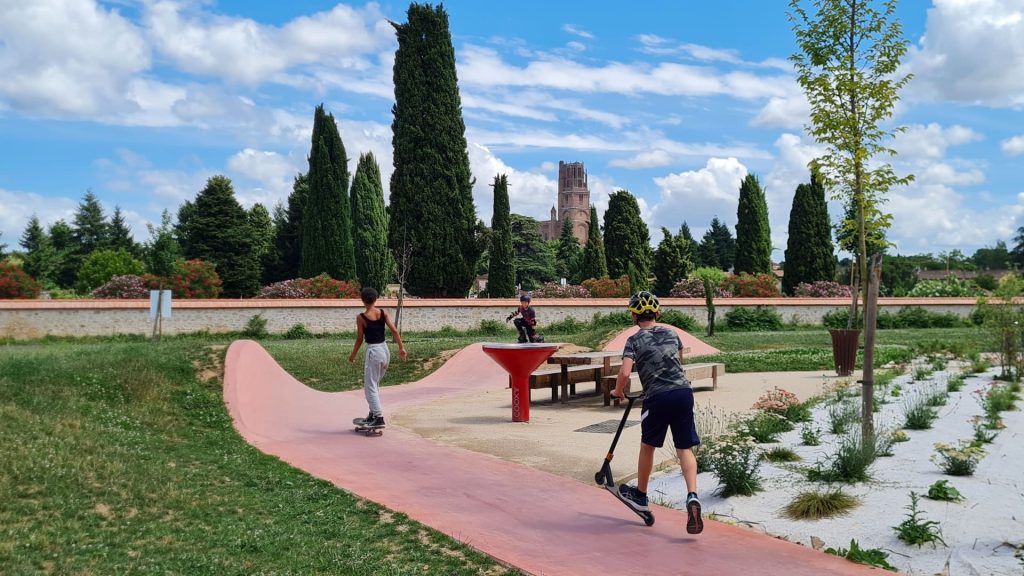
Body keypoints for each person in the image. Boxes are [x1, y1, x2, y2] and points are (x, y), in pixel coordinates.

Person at [610, 290, 702, 535]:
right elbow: (677, 362)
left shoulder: (633, 341)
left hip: (657, 397)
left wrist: (618, 391)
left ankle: (640, 495)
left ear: (633, 315)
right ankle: (692, 495)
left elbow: (625, 373)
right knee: (685, 448)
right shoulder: (672, 333)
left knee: (648, 446)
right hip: (683, 393)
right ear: (657, 313)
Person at [348, 286, 407, 428]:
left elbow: (359, 339)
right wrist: (401, 348)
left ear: (362, 300)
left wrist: (353, 355)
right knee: (374, 385)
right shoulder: (383, 313)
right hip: (385, 350)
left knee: (370, 388)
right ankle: (373, 414)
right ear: (376, 299)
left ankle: (379, 418)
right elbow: (394, 330)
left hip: (374, 352)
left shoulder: (361, 318)